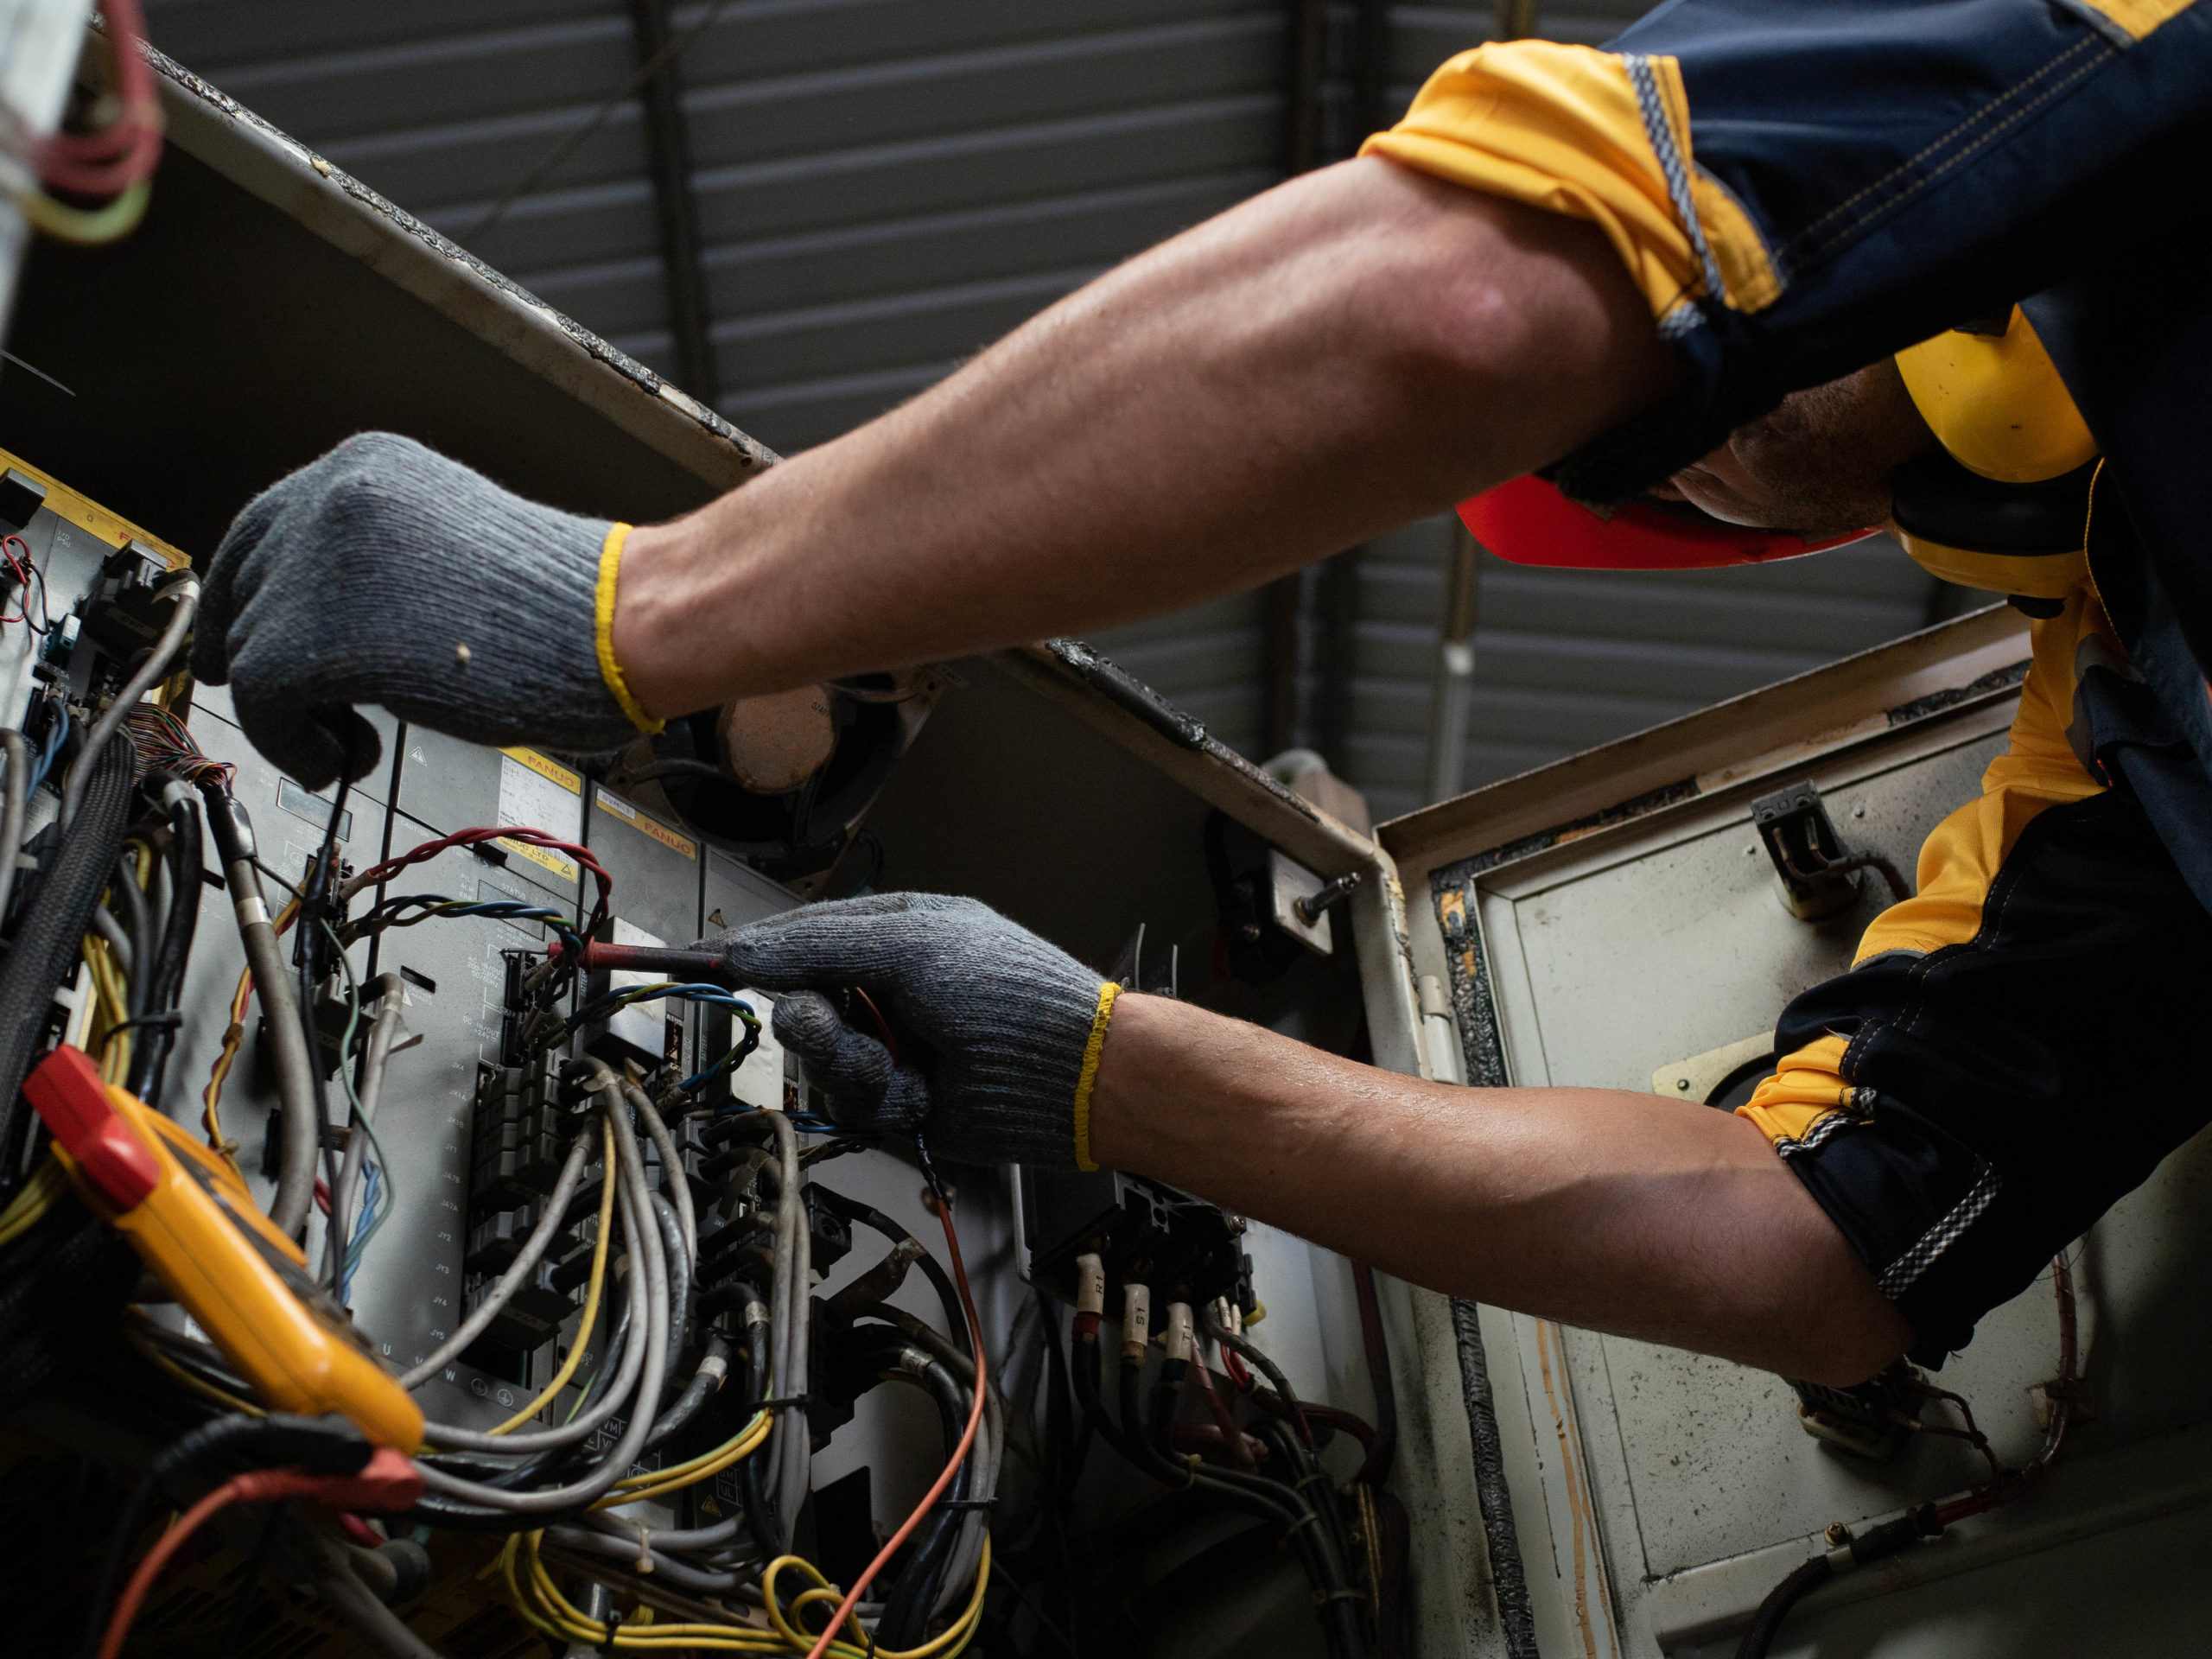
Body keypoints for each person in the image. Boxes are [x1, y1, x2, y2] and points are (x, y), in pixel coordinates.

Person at [192, 1, 2212, 1386]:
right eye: (1639, 457)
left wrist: (640, 606)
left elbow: (1462, 297)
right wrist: (1100, 1068)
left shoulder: (2066, 62)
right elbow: (1819, 1254)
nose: (1669, 443)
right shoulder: (2115, 744)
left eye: (1637, 417)